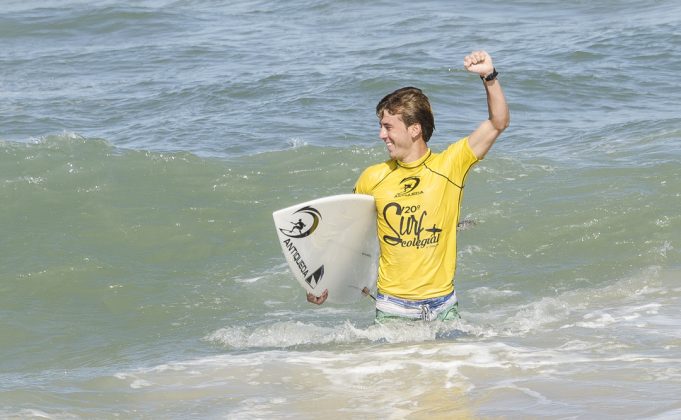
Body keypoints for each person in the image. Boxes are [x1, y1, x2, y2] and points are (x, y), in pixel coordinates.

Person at [307, 50, 509, 321]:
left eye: (388, 127)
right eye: (381, 126)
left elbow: (498, 122)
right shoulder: (373, 177)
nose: (381, 135)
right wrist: (324, 283)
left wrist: (489, 76)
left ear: (414, 129)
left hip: (444, 308)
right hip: (393, 310)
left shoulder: (450, 165)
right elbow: (348, 235)